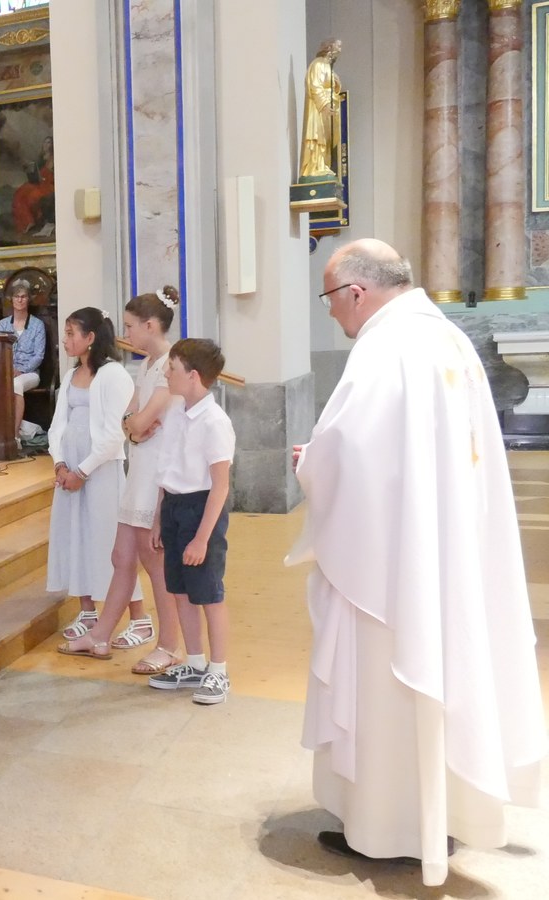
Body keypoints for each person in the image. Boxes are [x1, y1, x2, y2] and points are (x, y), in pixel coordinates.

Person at [291, 239, 545, 884]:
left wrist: (310, 463)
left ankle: (390, 829)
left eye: (329, 298)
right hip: (444, 551)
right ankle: (439, 815)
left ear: (356, 292)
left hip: (394, 566)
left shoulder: (387, 347)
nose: (331, 312)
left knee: (393, 684)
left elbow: (351, 453)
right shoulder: (447, 339)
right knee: (443, 671)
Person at [56, 287, 182, 675]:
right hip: (140, 467)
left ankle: (168, 645)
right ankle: (100, 635)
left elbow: (139, 422)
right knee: (121, 556)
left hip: (157, 472)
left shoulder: (169, 365)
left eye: (130, 326)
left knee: (155, 562)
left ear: (150, 325)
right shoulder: (146, 366)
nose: (125, 333)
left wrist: (135, 425)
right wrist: (135, 426)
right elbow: (130, 423)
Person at [143, 338, 233, 706]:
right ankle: (195, 664)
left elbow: (220, 486)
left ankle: (219, 670)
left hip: (201, 510)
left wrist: (201, 538)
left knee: (208, 593)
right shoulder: (176, 412)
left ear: (193, 376)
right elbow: (166, 469)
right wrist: (158, 518)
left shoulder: (215, 422)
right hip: (174, 506)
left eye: (173, 368)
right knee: (179, 591)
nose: (166, 373)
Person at [46, 308, 134, 631]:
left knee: (107, 539)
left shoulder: (113, 374)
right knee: (75, 535)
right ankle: (86, 610)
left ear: (91, 337)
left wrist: (82, 472)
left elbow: (114, 433)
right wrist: (59, 462)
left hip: (99, 469)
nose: (65, 339)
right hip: (69, 468)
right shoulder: (71, 375)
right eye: (66, 333)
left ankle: (137, 616)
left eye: (71, 333)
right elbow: (57, 425)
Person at [0, 277, 47, 431]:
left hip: (30, 373)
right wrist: (9, 370)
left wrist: (21, 370)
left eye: (23, 296)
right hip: (6, 373)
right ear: (11, 299)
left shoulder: (37, 325)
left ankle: (15, 434)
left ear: (28, 299)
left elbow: (39, 355)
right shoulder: (2, 324)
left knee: (16, 384)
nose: (20, 300)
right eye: (17, 296)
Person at [299, 39, 342, 179]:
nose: (340, 50)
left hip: (327, 110)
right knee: (319, 137)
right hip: (319, 110)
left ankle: (322, 165)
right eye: (338, 46)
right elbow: (315, 85)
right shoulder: (318, 64)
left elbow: (331, 86)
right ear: (330, 47)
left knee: (327, 139)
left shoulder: (328, 67)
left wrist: (336, 85)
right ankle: (315, 166)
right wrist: (324, 104)